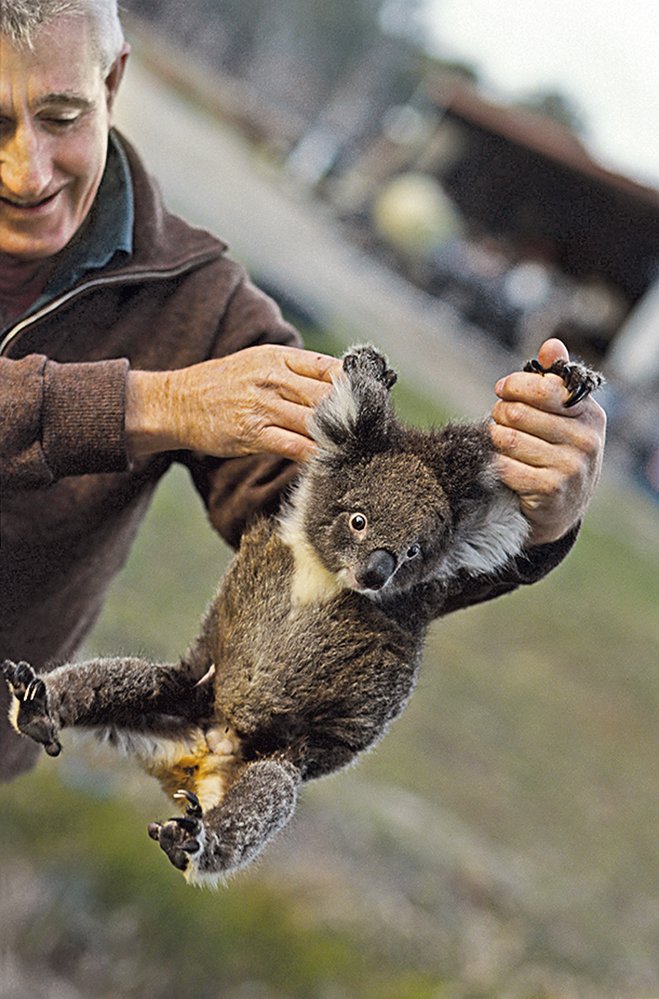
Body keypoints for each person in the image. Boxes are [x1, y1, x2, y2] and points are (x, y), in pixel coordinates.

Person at [0, 0, 606, 782]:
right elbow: (159, 403)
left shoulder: (202, 304)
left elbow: (330, 532)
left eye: (61, 116)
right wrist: (150, 404)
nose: (28, 171)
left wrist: (533, 516)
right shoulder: (181, 378)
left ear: (113, 79)